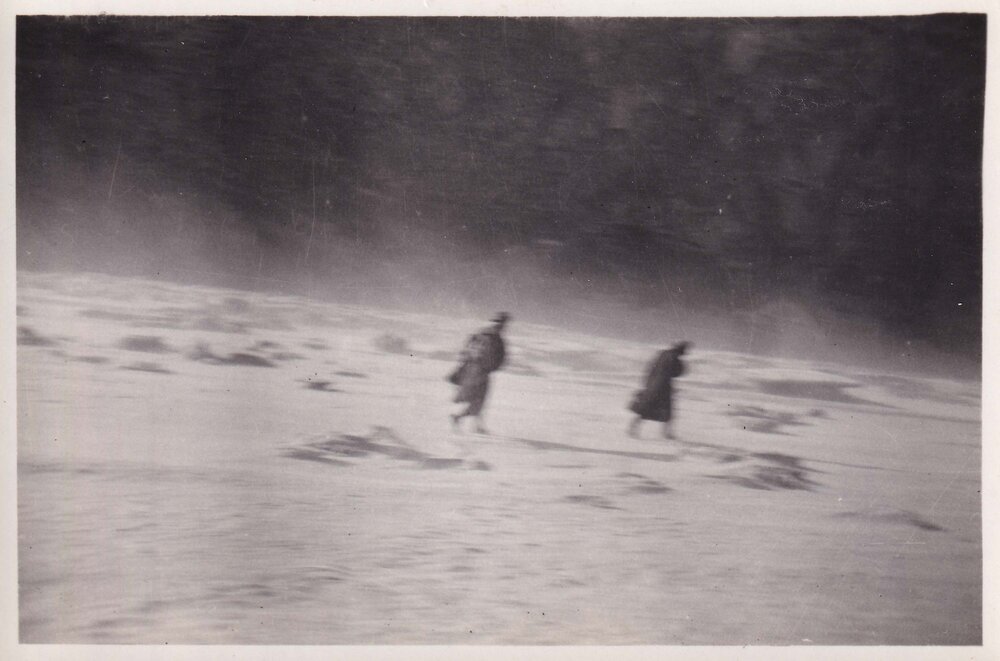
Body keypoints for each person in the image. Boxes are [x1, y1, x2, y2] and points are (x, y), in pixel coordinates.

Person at [448, 312, 510, 433]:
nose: (502, 326)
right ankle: (460, 419)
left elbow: (466, 350)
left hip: (471, 370)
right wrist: (491, 367)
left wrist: (464, 366)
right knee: (479, 400)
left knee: (477, 399)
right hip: (481, 372)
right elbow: (501, 357)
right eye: (502, 323)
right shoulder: (496, 338)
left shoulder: (480, 334)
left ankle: (475, 425)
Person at [627, 341, 690, 440]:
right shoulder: (673, 357)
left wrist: (648, 383)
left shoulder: (663, 354)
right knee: (667, 412)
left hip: (653, 385)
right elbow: (675, 372)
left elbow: (652, 369)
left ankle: (633, 429)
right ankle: (666, 434)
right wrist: (682, 367)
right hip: (662, 387)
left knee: (647, 410)